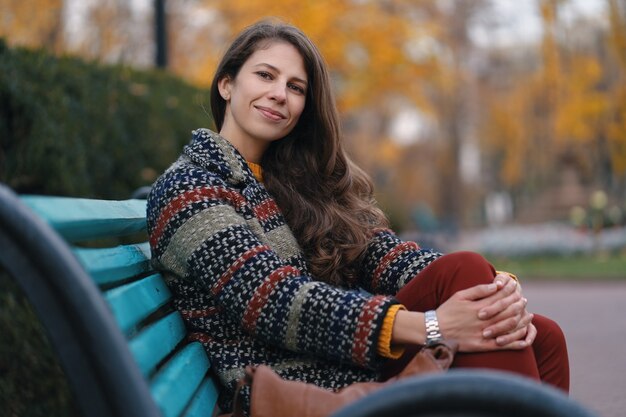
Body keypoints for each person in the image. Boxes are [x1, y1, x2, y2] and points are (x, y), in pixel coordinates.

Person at [146, 19, 569, 414]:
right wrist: (428, 326)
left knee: (540, 333)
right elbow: (272, 300)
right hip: (288, 387)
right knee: (475, 285)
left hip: (335, 363)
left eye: (296, 87)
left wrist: (494, 287)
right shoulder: (191, 189)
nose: (280, 94)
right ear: (226, 84)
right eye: (265, 75)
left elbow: (376, 252)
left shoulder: (290, 183)